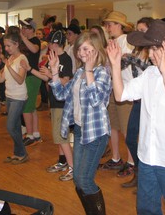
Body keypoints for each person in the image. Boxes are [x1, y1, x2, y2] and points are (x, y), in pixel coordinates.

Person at [107, 19, 165, 215]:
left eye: (152, 49)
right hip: (147, 157)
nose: (148, 54)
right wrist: (115, 66)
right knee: (146, 209)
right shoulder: (149, 73)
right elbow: (121, 95)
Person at [49, 31, 111, 214]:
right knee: (78, 178)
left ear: (97, 50)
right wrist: (54, 71)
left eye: (86, 49)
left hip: (96, 134)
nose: (81, 53)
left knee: (84, 179)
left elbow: (96, 100)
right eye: (79, 49)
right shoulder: (79, 73)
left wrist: (90, 71)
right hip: (79, 131)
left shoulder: (102, 73)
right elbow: (60, 94)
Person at [21, 30, 74, 181]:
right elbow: (45, 77)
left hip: (62, 103)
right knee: (58, 135)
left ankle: (72, 167)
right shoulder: (53, 57)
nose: (48, 46)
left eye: (50, 43)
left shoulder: (66, 59)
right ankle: (62, 161)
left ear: (56, 43)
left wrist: (51, 74)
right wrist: (30, 70)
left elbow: (66, 81)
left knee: (61, 137)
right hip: (55, 101)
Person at [99, 11, 135, 174]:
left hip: (125, 88)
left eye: (111, 24)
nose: (108, 27)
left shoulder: (127, 41)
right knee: (113, 125)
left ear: (120, 26)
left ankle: (131, 161)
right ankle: (115, 157)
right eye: (107, 24)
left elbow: (127, 64)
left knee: (126, 127)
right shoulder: (111, 43)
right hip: (113, 88)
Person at [120, 17, 153, 188]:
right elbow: (119, 66)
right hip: (139, 101)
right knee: (131, 139)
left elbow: (153, 71)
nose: (139, 33)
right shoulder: (136, 50)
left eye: (143, 30)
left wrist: (132, 59)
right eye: (137, 30)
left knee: (149, 141)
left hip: (152, 102)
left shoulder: (155, 50)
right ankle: (139, 173)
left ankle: (146, 178)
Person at [0, 32, 29, 165]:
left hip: (19, 97)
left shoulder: (22, 59)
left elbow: (20, 79)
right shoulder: (10, 58)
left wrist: (8, 65)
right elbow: (1, 78)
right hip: (9, 96)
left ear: (16, 44)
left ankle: (22, 153)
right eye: (5, 46)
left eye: (8, 46)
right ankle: (18, 153)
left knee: (10, 127)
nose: (6, 49)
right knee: (15, 127)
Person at [18, 18, 42, 146]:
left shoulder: (35, 40)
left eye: (26, 28)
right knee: (31, 107)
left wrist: (23, 38)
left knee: (26, 107)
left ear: (32, 29)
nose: (23, 29)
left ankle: (30, 134)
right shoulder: (25, 41)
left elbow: (34, 50)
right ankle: (35, 133)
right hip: (28, 76)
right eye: (22, 27)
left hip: (32, 76)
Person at [36, 28, 49, 112]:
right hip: (38, 64)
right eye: (36, 33)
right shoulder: (37, 43)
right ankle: (43, 101)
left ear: (43, 35)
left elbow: (38, 49)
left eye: (39, 34)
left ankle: (45, 102)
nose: (38, 35)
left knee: (43, 84)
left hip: (43, 64)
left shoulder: (44, 43)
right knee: (41, 85)